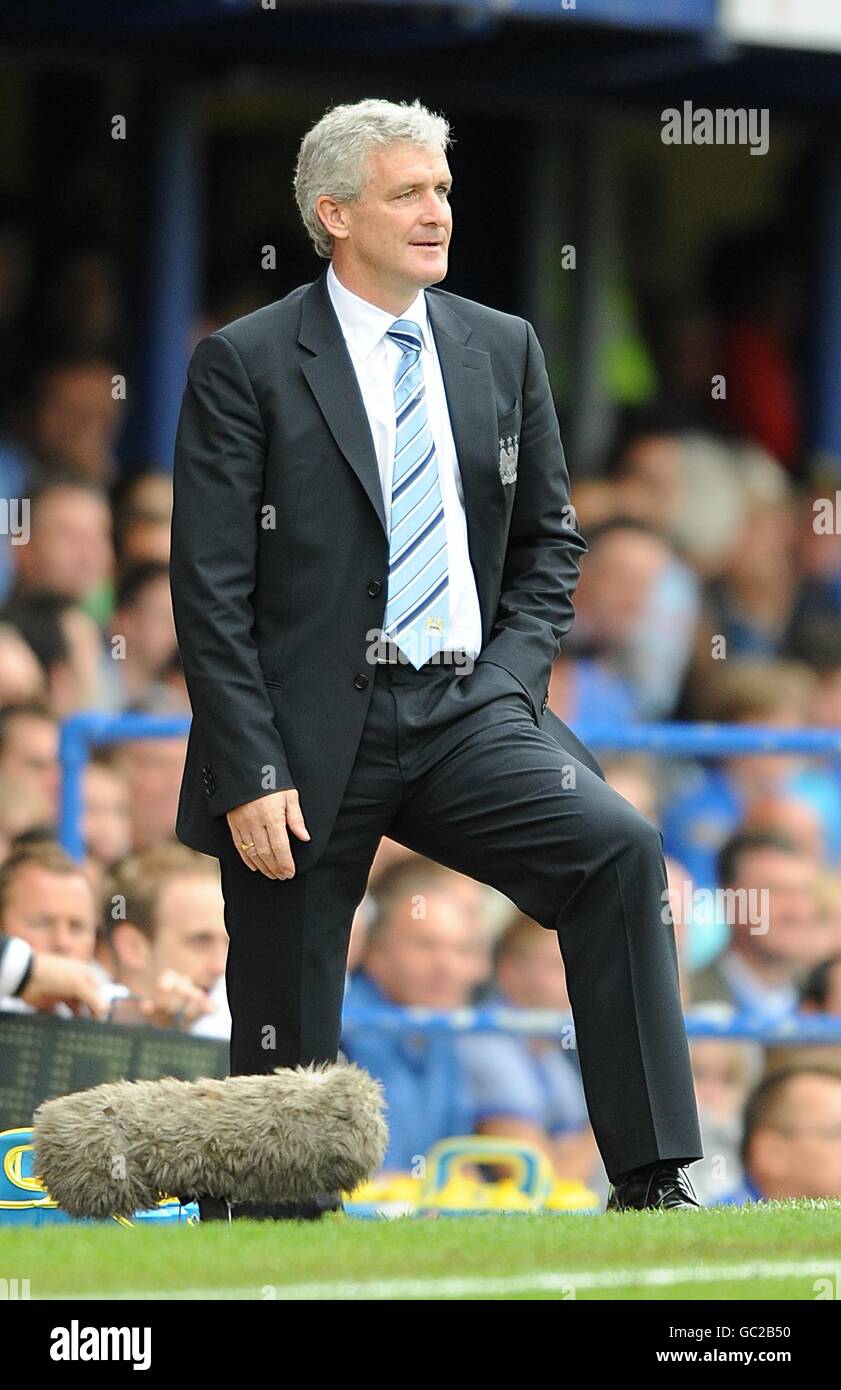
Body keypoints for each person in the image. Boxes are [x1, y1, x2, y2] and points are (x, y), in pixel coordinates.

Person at [169, 97, 702, 1220]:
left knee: (617, 853)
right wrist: (251, 766)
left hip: (468, 702)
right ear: (334, 212)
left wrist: (505, 684)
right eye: (407, 191)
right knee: (284, 995)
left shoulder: (501, 345)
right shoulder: (247, 361)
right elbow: (208, 589)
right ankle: (270, 1215)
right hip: (301, 729)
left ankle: (652, 1177)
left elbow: (553, 541)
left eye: (443, 190)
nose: (436, 211)